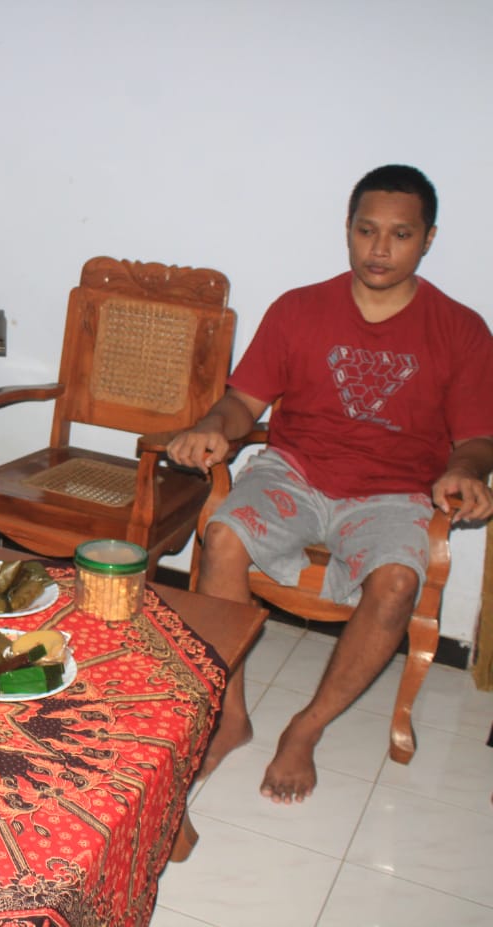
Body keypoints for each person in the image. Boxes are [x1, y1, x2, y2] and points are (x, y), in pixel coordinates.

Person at [168, 164, 493, 804]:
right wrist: (212, 428)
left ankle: (306, 729)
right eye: (366, 230)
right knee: (224, 534)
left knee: (399, 581)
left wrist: (467, 470)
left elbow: (478, 438)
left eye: (401, 234)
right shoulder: (299, 308)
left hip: (397, 491)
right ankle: (231, 715)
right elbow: (243, 403)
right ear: (347, 229)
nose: (380, 248)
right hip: (296, 472)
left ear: (428, 238)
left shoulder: (461, 329)